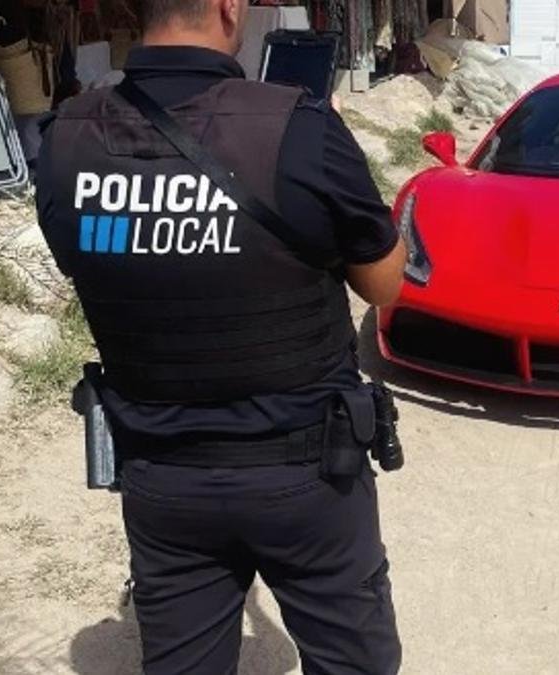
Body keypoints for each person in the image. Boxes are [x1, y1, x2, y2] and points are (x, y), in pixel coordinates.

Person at [33, 0, 407, 672]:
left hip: (161, 474)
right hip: (307, 472)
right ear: (229, 8)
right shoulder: (298, 126)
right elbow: (383, 286)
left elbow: (88, 259)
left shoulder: (64, 138)